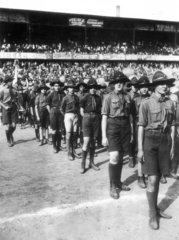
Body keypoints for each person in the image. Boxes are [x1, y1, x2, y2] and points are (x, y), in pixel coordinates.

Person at [137, 70, 175, 230]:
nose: (164, 86)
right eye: (161, 83)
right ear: (154, 86)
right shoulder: (145, 103)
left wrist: (172, 145)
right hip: (150, 140)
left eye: (166, 83)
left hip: (165, 141)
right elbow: (141, 127)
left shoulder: (170, 103)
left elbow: (173, 125)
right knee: (152, 179)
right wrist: (140, 149)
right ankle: (152, 213)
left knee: (159, 177)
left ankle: (156, 209)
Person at [102, 71, 132, 199]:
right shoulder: (108, 97)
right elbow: (104, 117)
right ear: (113, 84)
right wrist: (104, 136)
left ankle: (118, 182)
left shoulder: (128, 97)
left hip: (125, 127)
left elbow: (130, 116)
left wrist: (132, 133)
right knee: (114, 156)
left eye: (121, 82)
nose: (119, 84)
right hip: (113, 126)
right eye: (116, 82)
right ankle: (112, 185)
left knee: (120, 156)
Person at [80, 78, 102, 174]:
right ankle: (83, 163)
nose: (93, 89)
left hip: (96, 118)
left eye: (94, 87)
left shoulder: (98, 98)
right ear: (88, 88)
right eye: (91, 87)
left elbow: (100, 109)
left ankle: (91, 162)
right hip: (87, 118)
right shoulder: (84, 97)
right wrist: (86, 117)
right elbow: (81, 111)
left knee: (93, 141)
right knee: (86, 141)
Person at [133, 76, 151, 188]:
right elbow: (132, 115)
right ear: (139, 88)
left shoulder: (151, 98)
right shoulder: (135, 100)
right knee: (140, 151)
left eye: (146, 86)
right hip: (139, 126)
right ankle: (140, 177)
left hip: (150, 126)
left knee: (149, 150)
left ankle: (149, 174)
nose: (144, 89)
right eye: (142, 87)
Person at [61, 80, 81, 161]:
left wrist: (77, 116)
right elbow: (61, 109)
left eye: (73, 88)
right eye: (70, 88)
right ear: (68, 89)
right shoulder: (65, 98)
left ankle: (73, 151)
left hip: (75, 116)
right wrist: (66, 116)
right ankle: (69, 152)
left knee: (75, 134)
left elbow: (79, 107)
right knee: (69, 134)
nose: (72, 89)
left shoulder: (77, 97)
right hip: (68, 115)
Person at [0, 75, 19, 147]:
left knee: (14, 126)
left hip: (13, 107)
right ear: (7, 82)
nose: (11, 82)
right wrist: (5, 106)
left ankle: (10, 134)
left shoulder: (14, 89)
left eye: (11, 81)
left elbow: (16, 99)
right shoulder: (2, 90)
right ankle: (8, 140)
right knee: (8, 126)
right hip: (6, 108)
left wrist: (19, 106)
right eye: (10, 81)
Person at [47, 80, 65, 153]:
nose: (57, 87)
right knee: (54, 130)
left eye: (58, 86)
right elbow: (48, 104)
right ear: (53, 87)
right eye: (56, 86)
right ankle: (54, 146)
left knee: (60, 129)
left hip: (61, 112)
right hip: (53, 112)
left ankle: (59, 145)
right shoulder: (51, 94)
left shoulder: (63, 94)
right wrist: (50, 112)